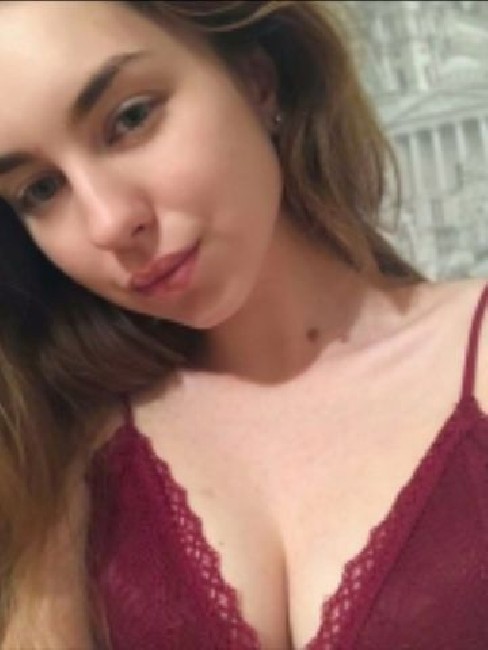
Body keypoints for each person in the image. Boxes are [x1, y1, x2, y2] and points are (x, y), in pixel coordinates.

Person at [0, 0, 487, 648]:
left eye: (131, 118)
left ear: (258, 79)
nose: (109, 222)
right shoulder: (62, 454)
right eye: (40, 190)